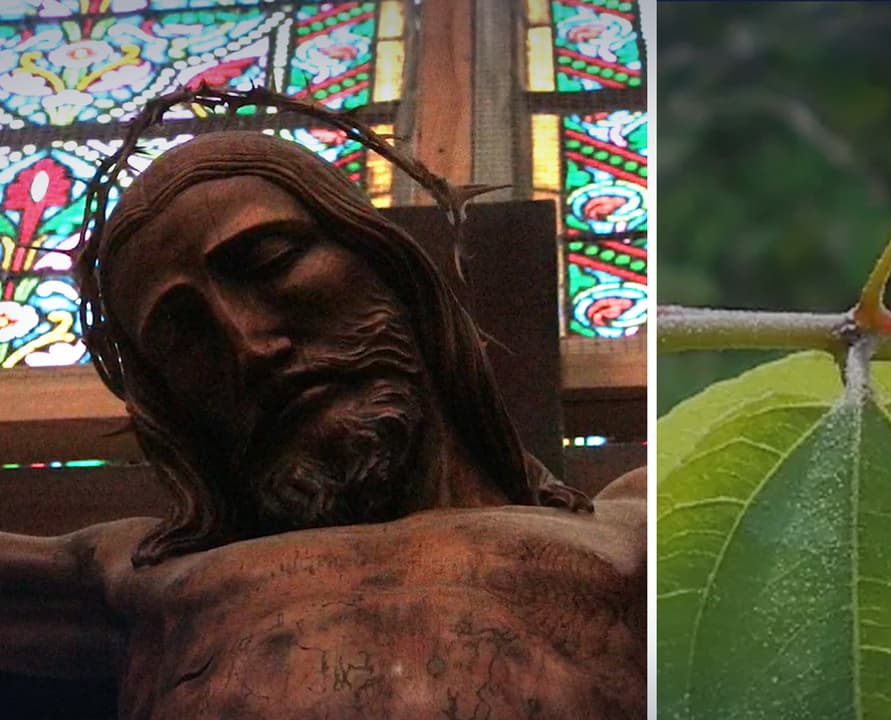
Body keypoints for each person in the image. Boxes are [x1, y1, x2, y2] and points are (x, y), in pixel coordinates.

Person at [0, 132, 645, 719]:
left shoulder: (633, 531)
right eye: (181, 336)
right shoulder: (140, 577)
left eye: (271, 261)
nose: (249, 347)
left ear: (389, 265)